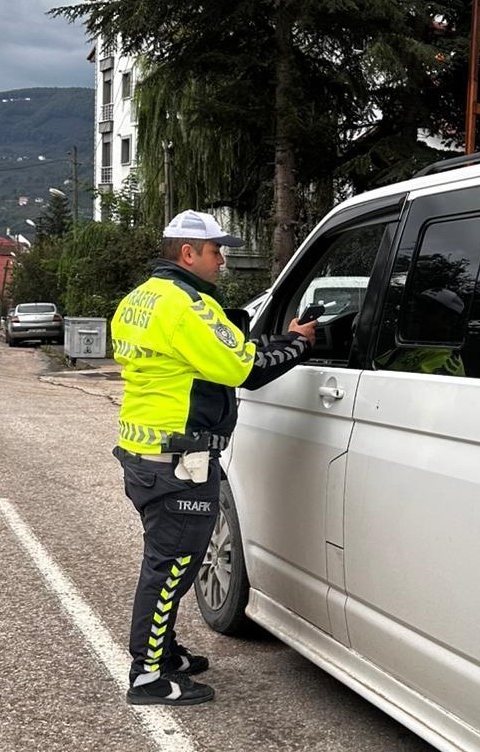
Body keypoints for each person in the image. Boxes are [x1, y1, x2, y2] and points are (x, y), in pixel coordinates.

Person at [110, 209, 317, 706]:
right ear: (188, 253)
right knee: (173, 567)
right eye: (215, 250)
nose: (222, 260)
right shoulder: (186, 305)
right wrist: (299, 344)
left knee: (168, 560)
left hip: (145, 454)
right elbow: (243, 367)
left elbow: (199, 360)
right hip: (180, 460)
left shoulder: (140, 299)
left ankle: (165, 652)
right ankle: (148, 675)